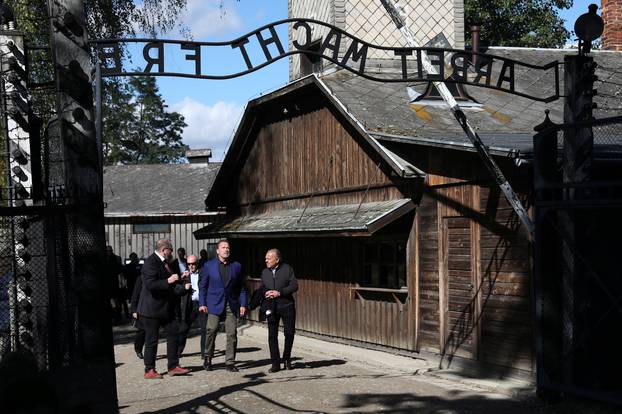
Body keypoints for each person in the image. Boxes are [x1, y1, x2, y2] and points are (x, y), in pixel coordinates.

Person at [137, 239, 191, 379]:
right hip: (151, 309)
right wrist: (169, 280)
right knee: (152, 340)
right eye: (170, 250)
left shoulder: (165, 263)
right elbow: (150, 285)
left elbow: (170, 281)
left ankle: (173, 366)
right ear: (164, 249)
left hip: (166, 309)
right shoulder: (151, 262)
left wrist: (179, 278)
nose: (171, 253)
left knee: (173, 334)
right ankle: (149, 370)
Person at [199, 239, 247, 372]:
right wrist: (202, 303)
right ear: (218, 250)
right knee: (211, 330)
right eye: (223, 247)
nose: (226, 250)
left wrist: (243, 303)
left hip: (231, 304)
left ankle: (230, 362)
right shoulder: (209, 265)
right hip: (214, 303)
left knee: (232, 333)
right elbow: (203, 287)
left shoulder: (236, 266)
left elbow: (241, 288)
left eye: (228, 248)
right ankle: (208, 357)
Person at [260, 248, 298, 373]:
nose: (266, 260)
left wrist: (279, 293)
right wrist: (266, 293)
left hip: (287, 306)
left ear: (277, 259)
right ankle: (275, 363)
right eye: (265, 258)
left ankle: (286, 358)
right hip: (271, 307)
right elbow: (263, 287)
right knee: (272, 335)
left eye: (268, 258)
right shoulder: (265, 272)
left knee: (289, 333)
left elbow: (294, 286)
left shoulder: (287, 269)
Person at [177, 254, 207, 358]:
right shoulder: (184, 276)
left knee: (204, 329)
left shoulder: (204, 273)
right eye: (189, 264)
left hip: (201, 304)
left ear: (197, 263)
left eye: (193, 264)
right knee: (184, 328)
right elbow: (176, 289)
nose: (191, 266)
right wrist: (182, 284)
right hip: (189, 305)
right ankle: (178, 351)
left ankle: (205, 353)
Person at [104, 246, 124, 323]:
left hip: (114, 284)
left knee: (116, 301)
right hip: (108, 283)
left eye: (110, 250)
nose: (109, 252)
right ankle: (115, 317)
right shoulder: (106, 259)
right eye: (107, 251)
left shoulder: (116, 258)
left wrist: (121, 282)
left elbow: (120, 271)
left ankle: (117, 318)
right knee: (113, 302)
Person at [130, 273, 145, 360]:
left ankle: (149, 354)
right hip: (141, 308)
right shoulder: (141, 278)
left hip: (152, 308)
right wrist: (134, 310)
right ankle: (138, 349)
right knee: (142, 331)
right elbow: (135, 295)